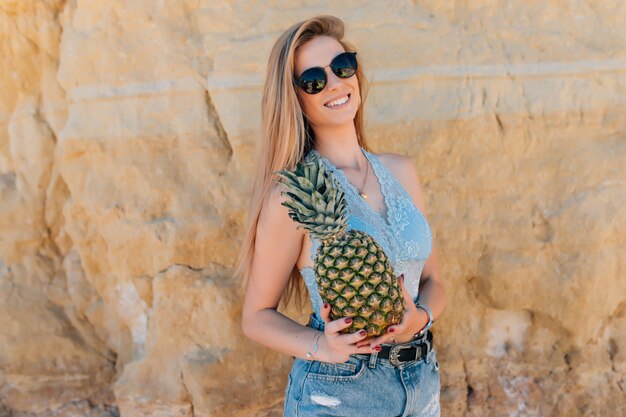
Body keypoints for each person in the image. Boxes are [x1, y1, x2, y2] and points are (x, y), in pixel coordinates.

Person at [236, 14, 448, 417]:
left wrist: (419, 318)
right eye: (313, 80)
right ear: (295, 98)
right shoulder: (295, 195)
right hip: (340, 391)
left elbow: (435, 282)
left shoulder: (402, 170)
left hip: (421, 382)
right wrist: (323, 346)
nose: (334, 83)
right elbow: (256, 317)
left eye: (342, 67)